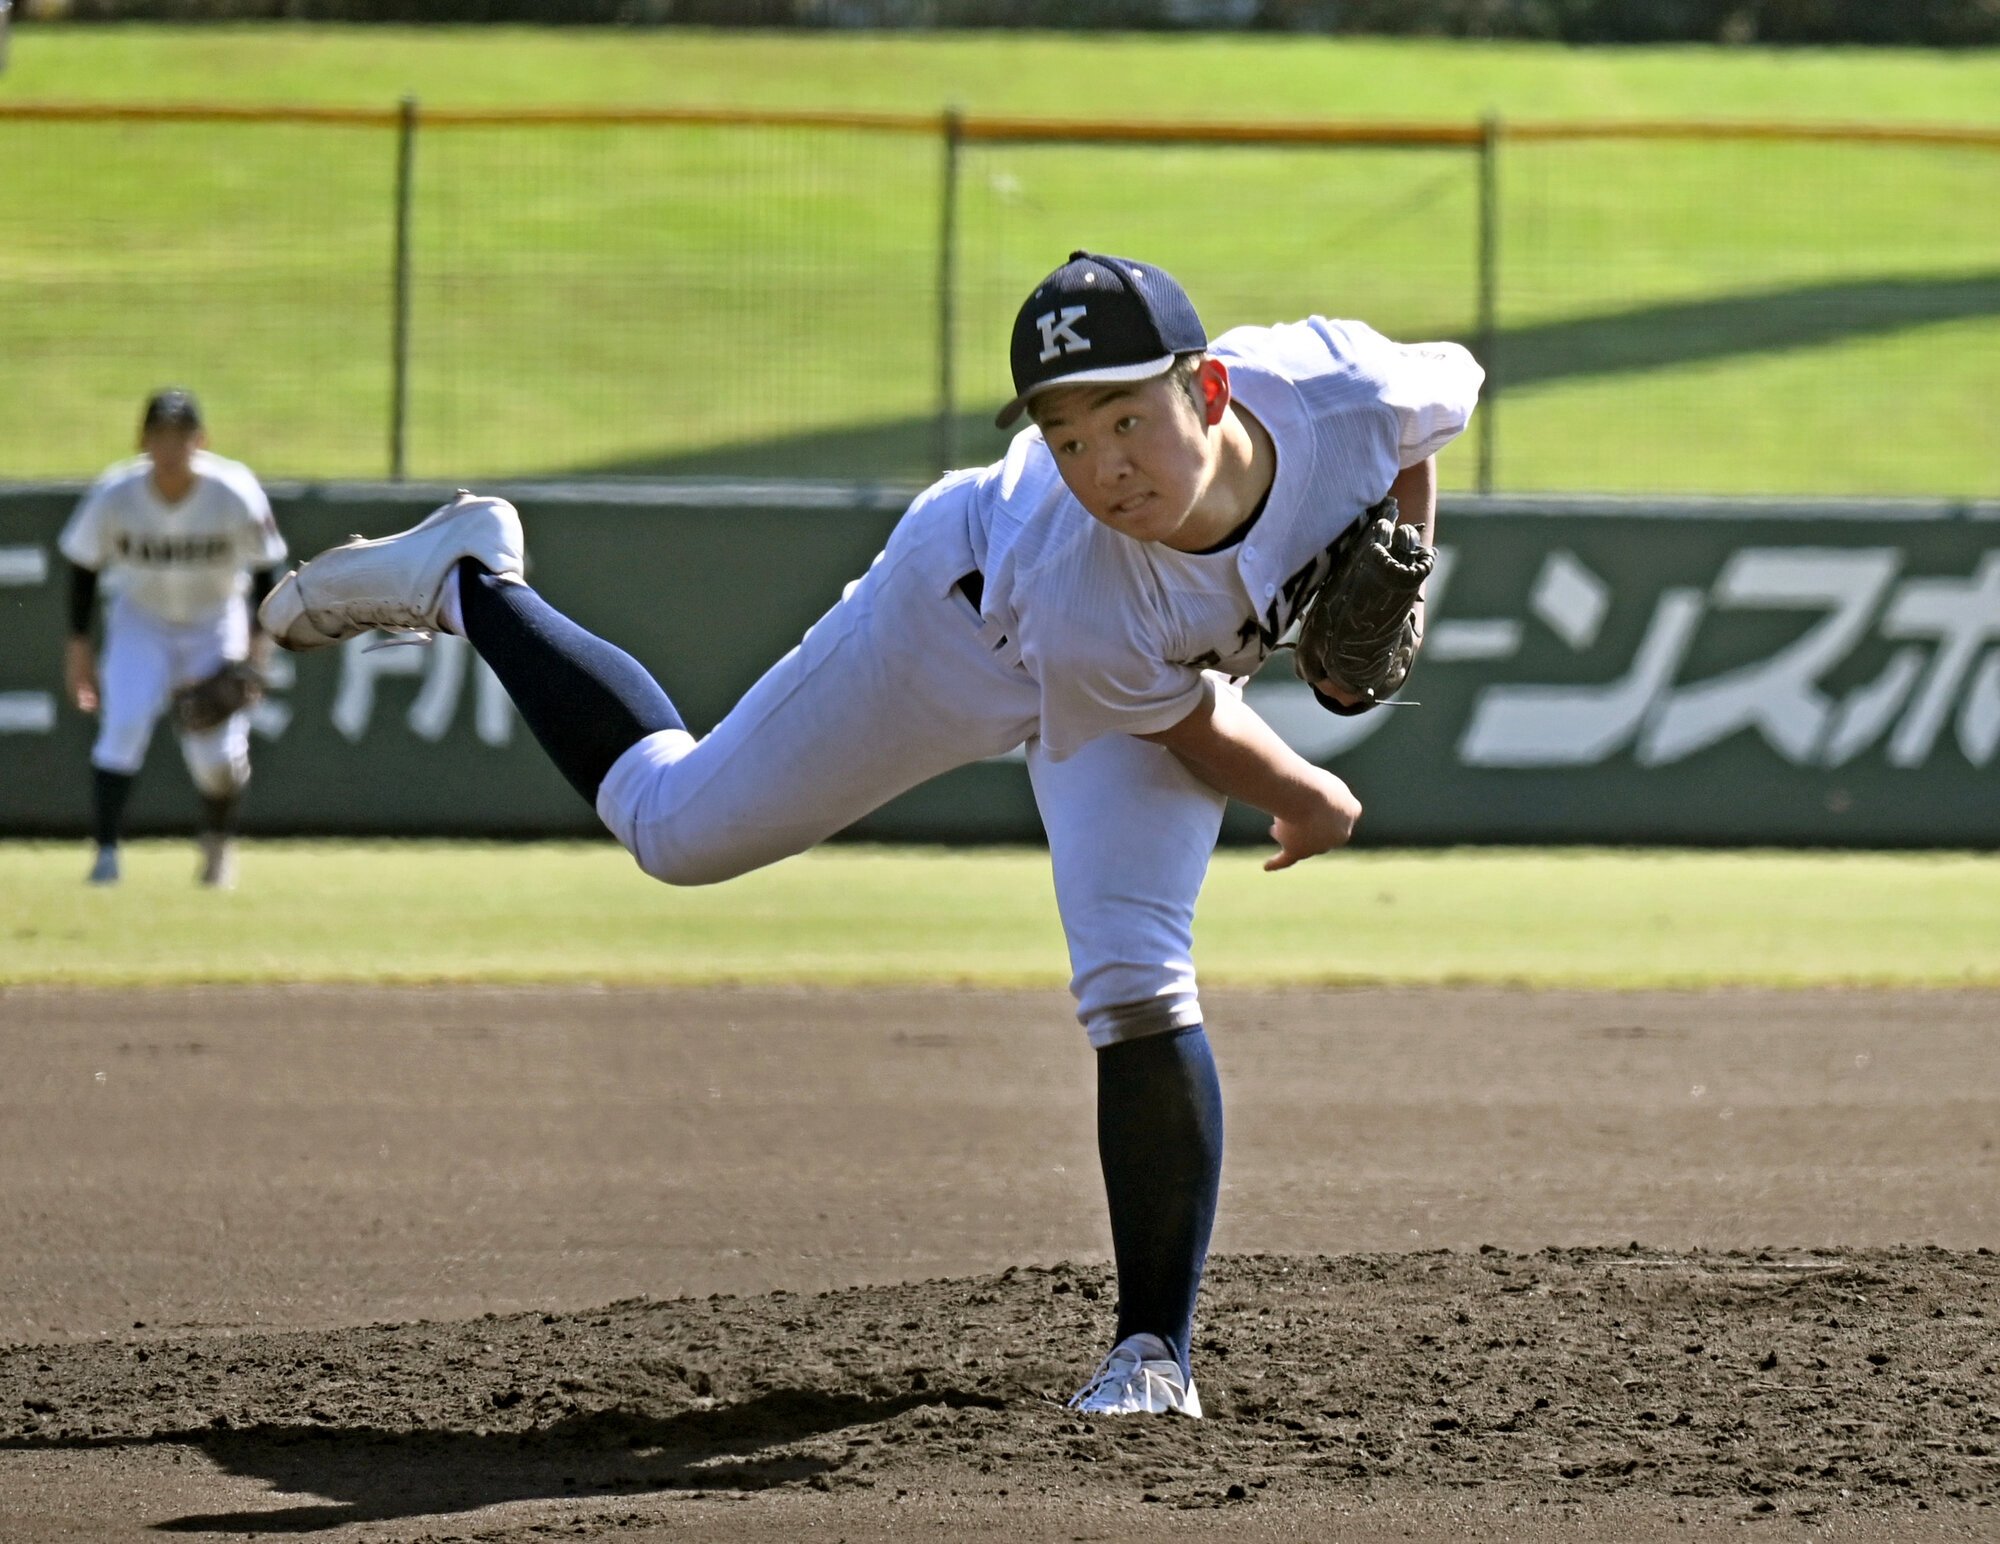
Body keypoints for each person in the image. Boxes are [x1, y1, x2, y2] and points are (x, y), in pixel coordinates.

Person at [261, 253, 1482, 1417]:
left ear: (1205, 384)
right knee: (671, 828)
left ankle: (1151, 1354)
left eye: (1122, 418)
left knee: (1136, 974)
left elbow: (1433, 417)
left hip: (1146, 669)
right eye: (1062, 436)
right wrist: (1310, 791)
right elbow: (1188, 730)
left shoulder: (1345, 388)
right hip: (959, 625)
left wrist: (1406, 556)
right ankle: (473, 580)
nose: (1102, 465)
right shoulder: (1083, 571)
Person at [61, 388, 288, 889]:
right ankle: (105, 856)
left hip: (215, 620)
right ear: (142, 441)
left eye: (181, 436)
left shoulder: (232, 491)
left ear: (201, 440)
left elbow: (266, 569)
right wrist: (78, 647)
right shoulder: (115, 493)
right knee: (122, 726)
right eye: (160, 435)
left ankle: (218, 846)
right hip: (140, 620)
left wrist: (257, 651)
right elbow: (82, 566)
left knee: (219, 756)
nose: (171, 446)